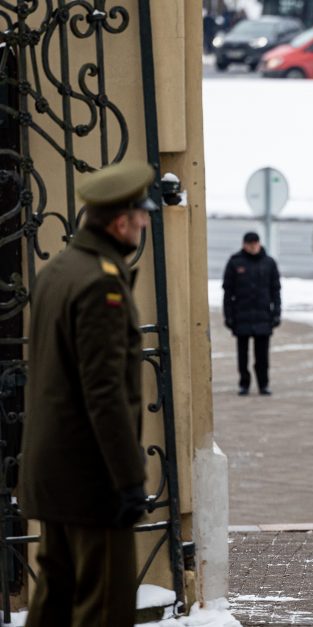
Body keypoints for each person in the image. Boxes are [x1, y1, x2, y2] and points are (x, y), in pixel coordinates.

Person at [21, 161, 156, 626]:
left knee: (55, 599)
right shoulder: (101, 283)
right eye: (141, 215)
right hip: (90, 477)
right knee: (102, 608)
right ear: (121, 221)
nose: (143, 223)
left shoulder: (60, 268)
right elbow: (103, 392)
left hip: (54, 470)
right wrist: (127, 480)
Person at [222, 231, 282, 396]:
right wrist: (228, 315)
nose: (253, 247)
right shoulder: (235, 263)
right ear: (244, 245)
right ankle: (244, 384)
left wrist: (276, 313)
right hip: (241, 316)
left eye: (255, 243)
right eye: (249, 244)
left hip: (263, 316)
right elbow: (228, 292)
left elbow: (276, 290)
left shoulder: (269, 263)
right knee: (243, 355)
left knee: (262, 356)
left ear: (259, 243)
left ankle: (263, 384)